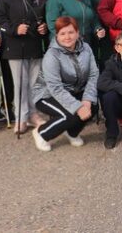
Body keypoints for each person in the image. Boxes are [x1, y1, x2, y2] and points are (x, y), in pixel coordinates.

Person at [0, 0, 49, 134]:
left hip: (35, 46)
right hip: (15, 47)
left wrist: (44, 27)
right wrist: (14, 29)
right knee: (20, 84)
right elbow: (0, 19)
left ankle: (33, 114)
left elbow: (47, 16)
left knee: (34, 83)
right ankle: (21, 117)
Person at [30, 16, 98, 151]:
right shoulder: (52, 55)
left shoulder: (86, 48)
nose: (67, 37)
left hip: (73, 90)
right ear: (57, 35)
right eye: (62, 33)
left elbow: (93, 74)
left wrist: (87, 99)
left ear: (77, 33)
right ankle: (41, 133)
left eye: (71, 32)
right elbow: (55, 88)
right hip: (46, 94)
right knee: (70, 114)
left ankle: (71, 133)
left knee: (93, 107)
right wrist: (78, 107)